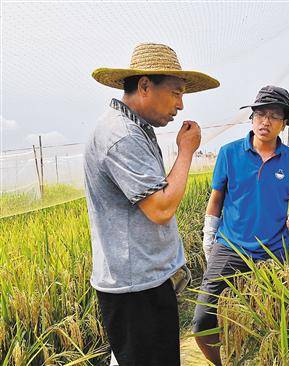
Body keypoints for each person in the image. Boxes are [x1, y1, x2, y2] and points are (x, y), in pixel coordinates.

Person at [84, 43, 219, 366]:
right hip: (135, 289)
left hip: (143, 281)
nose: (181, 105)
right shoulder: (122, 135)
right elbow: (161, 207)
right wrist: (186, 150)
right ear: (145, 86)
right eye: (176, 92)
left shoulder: (136, 129)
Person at [193, 85, 289, 365]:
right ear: (252, 118)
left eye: (274, 115)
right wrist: (209, 237)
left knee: (276, 323)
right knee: (202, 320)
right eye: (260, 114)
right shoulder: (229, 153)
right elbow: (216, 199)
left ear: (284, 124)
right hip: (231, 246)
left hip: (273, 251)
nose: (265, 121)